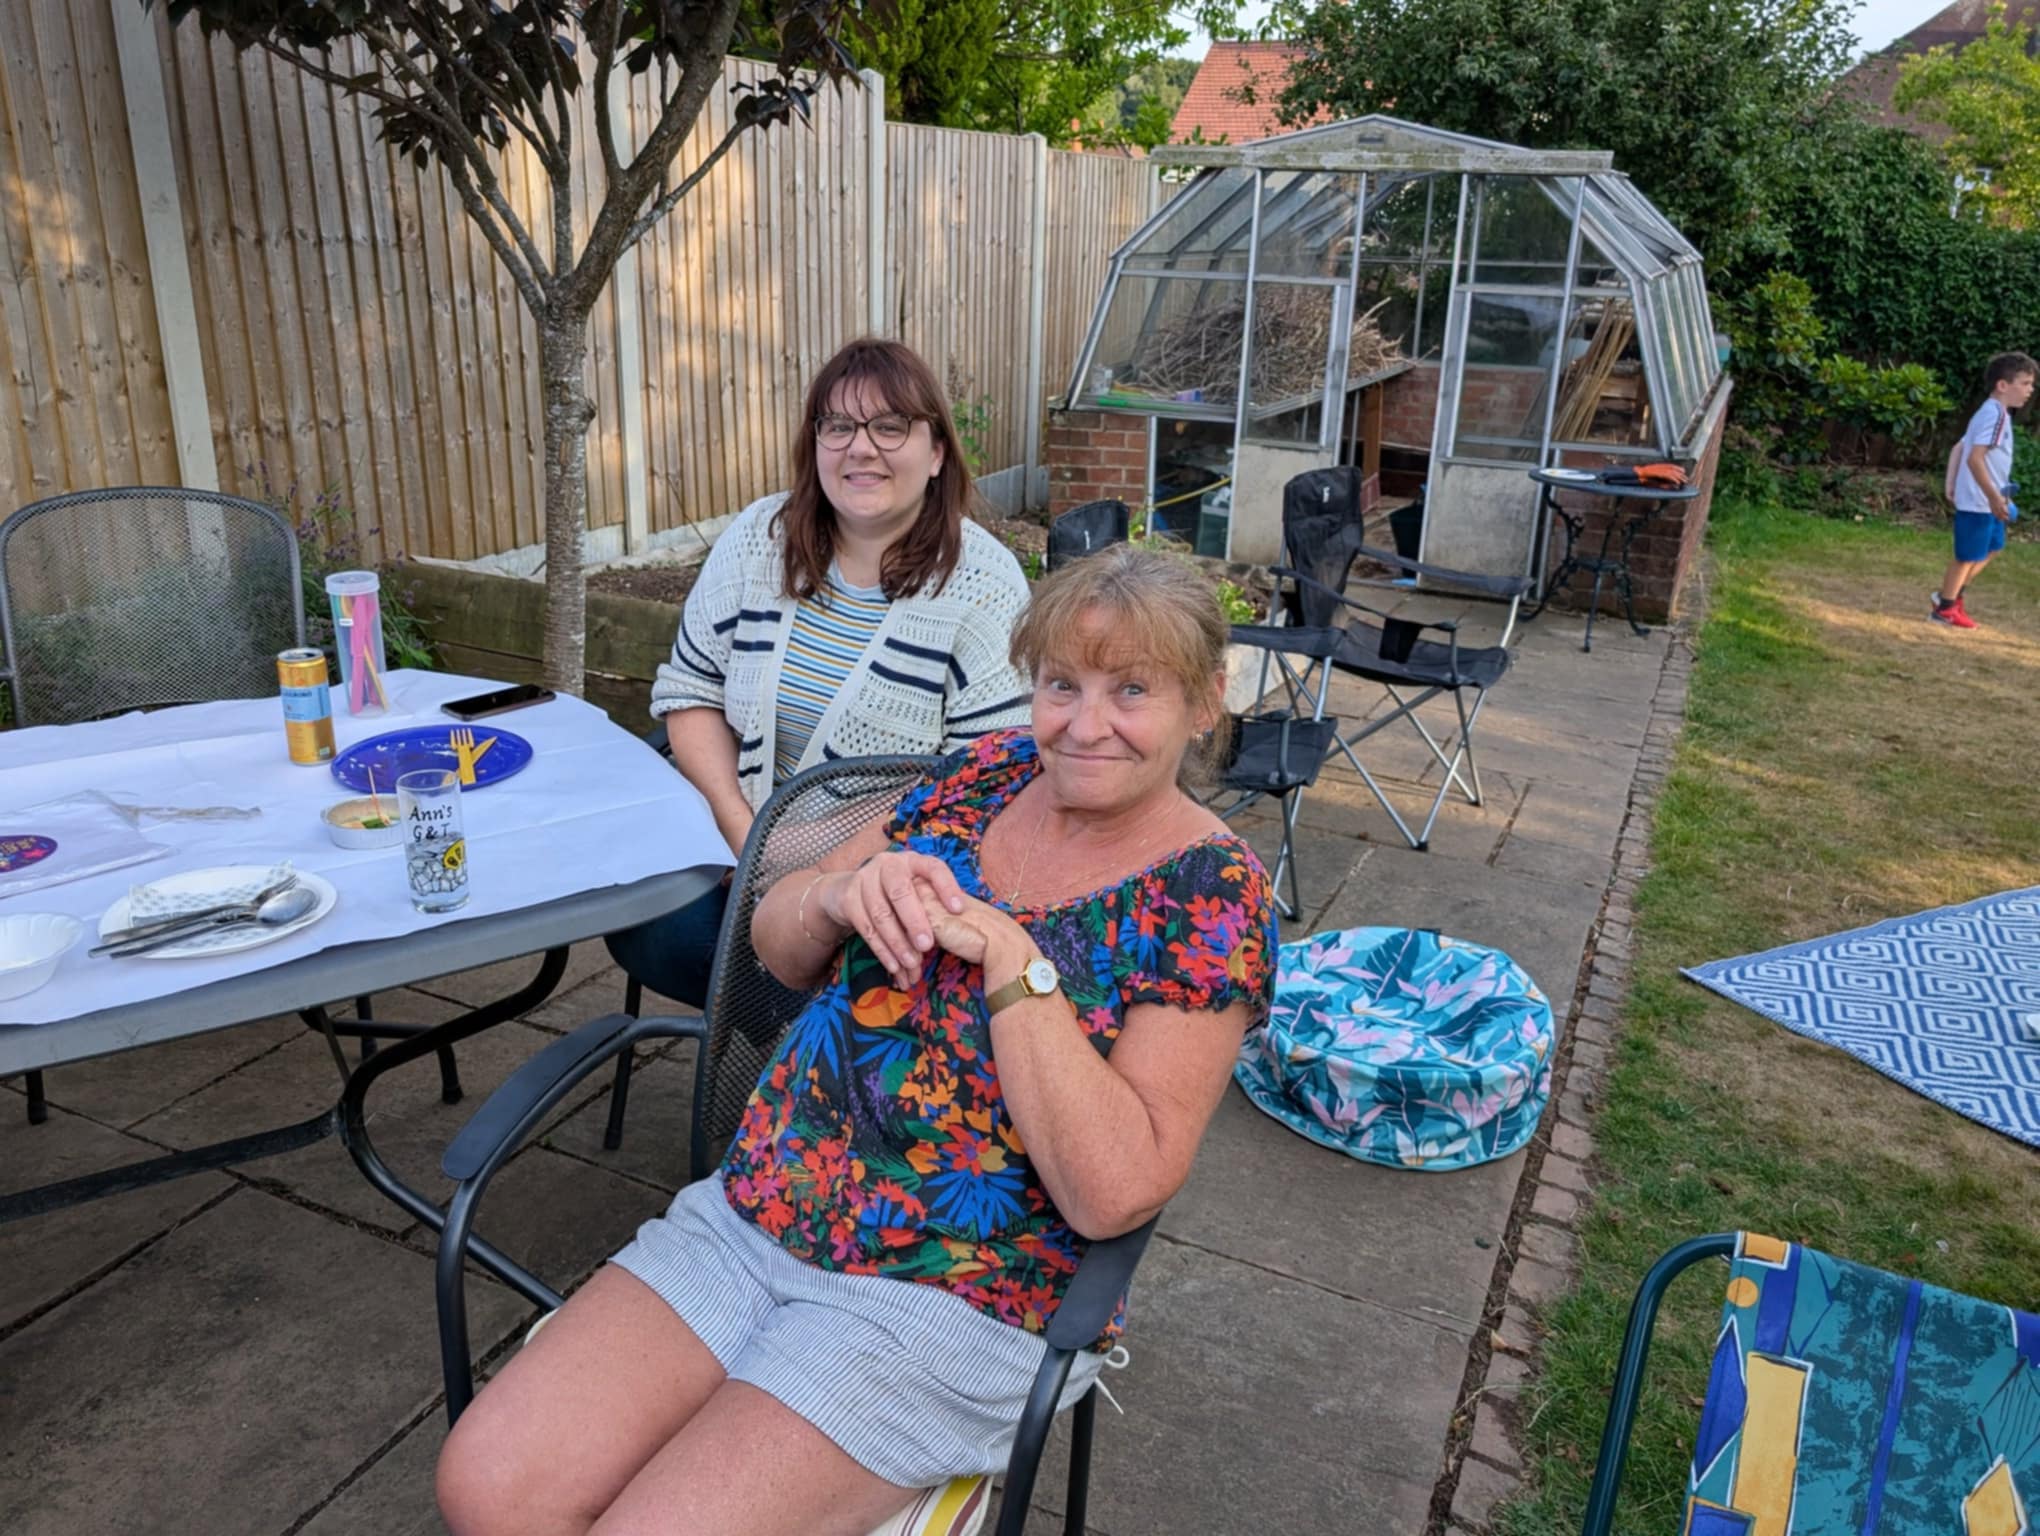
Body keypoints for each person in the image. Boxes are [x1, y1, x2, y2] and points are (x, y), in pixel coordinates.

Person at [437, 546, 1279, 1536]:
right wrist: (837, 894)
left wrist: (1018, 967)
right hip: (761, 1212)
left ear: (1206, 700)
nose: (1084, 725)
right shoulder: (978, 778)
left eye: (1131, 690)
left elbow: (1115, 1189)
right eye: (1061, 685)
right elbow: (773, 945)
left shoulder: (1211, 896)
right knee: (486, 1486)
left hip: (956, 1287)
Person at [607, 338, 1034, 1007]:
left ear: (938, 452)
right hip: (734, 845)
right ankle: (784, 1069)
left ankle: (788, 1073)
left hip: (881, 872)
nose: (860, 448)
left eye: (890, 426)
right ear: (815, 443)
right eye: (838, 426)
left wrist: (801, 858)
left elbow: (980, 777)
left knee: (847, 967)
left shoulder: (983, 586)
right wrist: (738, 832)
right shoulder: (759, 539)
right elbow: (691, 692)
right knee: (647, 929)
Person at [1933, 350, 2035, 630]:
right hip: (1981, 501)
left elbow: (1959, 447)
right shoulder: (1994, 416)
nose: (2031, 390)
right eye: (2025, 383)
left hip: (1987, 499)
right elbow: (1974, 458)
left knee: (1993, 547)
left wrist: (1950, 484)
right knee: (1967, 556)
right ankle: (1944, 607)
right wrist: (1993, 498)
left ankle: (1950, 597)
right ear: (2003, 385)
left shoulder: (1992, 412)